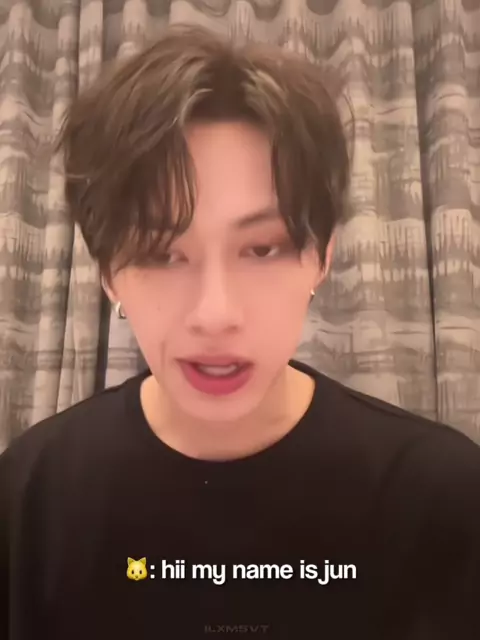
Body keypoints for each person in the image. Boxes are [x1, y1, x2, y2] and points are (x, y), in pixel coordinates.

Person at [1, 24, 479, 640]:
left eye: (262, 249)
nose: (215, 313)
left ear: (322, 257)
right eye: (161, 253)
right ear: (108, 275)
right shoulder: (29, 501)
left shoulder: (443, 497)